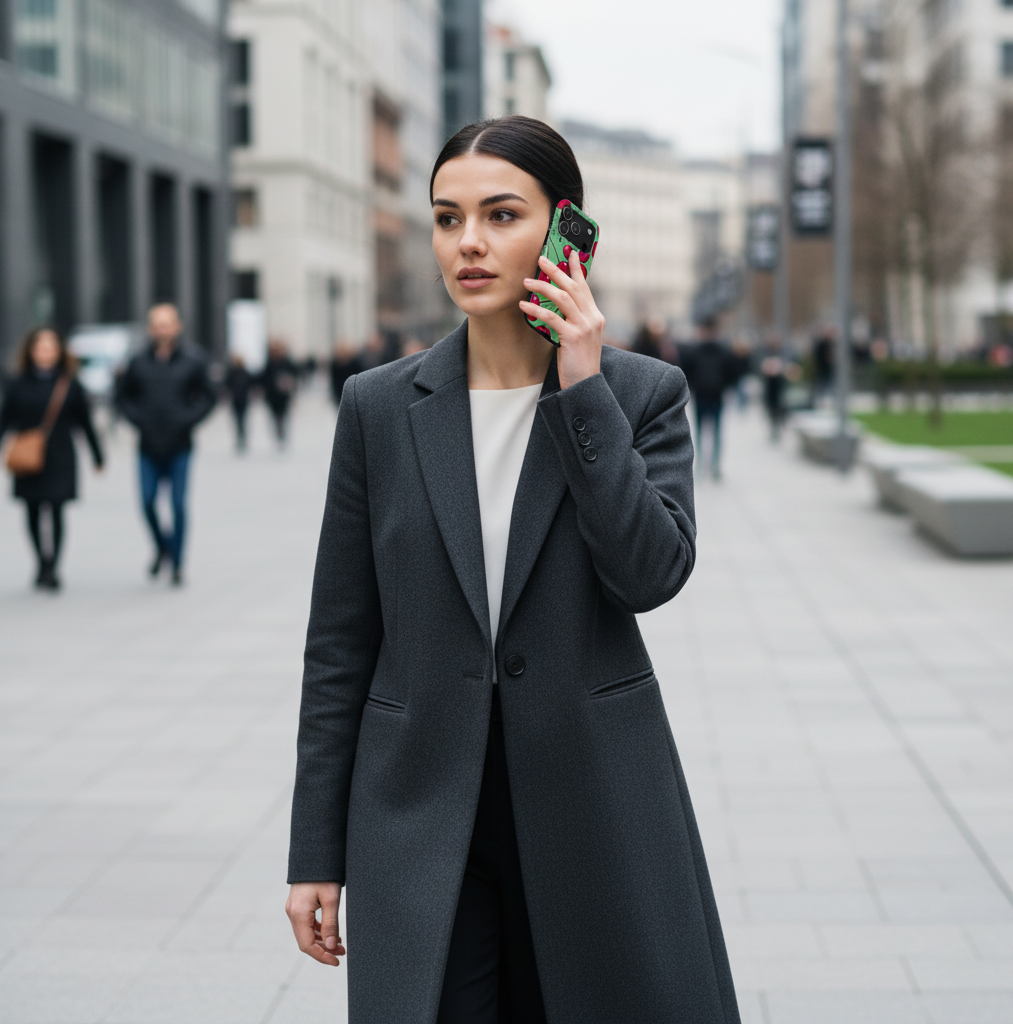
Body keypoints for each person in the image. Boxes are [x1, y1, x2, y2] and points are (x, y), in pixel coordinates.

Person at [284, 115, 740, 1024]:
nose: (471, 244)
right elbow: (339, 642)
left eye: (500, 214)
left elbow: (650, 574)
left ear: (564, 228)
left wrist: (583, 386)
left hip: (594, 804)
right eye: (448, 219)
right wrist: (315, 852)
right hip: (419, 811)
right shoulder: (377, 408)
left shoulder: (640, 394)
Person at [116, 303, 216, 585]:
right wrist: (138, 419)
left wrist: (188, 418)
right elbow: (122, 397)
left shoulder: (193, 360)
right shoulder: (138, 361)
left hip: (180, 446)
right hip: (147, 446)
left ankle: (178, 563)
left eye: (167, 322)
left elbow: (210, 396)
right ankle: (162, 547)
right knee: (147, 502)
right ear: (150, 328)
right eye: (157, 323)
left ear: (177, 326)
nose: (162, 328)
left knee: (178, 505)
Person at [0, 327, 104, 590]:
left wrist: (97, 455)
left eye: (50, 348)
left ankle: (54, 566)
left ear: (59, 352)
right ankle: (40, 561)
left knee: (56, 510)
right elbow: (5, 419)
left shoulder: (69, 384)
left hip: (60, 456)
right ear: (31, 351)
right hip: (29, 458)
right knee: (33, 512)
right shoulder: (18, 383)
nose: (45, 353)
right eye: (40, 348)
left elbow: (85, 422)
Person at [679, 315, 738, 479]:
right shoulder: (724, 351)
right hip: (715, 395)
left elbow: (685, 372)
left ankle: (703, 466)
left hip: (702, 395)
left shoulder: (694, 350)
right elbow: (732, 373)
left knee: (700, 432)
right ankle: (713, 466)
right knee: (715, 432)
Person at [260, 339, 298, 446]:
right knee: (275, 415)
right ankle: (279, 431)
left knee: (282, 415)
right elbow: (264, 378)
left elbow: (294, 375)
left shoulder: (287, 362)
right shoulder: (270, 363)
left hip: (283, 394)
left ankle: (281, 431)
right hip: (272, 395)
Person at [225, 355, 252, 452]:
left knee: (241, 420)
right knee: (238, 420)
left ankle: (242, 438)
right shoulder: (232, 372)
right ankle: (240, 438)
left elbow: (251, 384)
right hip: (236, 399)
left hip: (242, 399)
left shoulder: (244, 372)